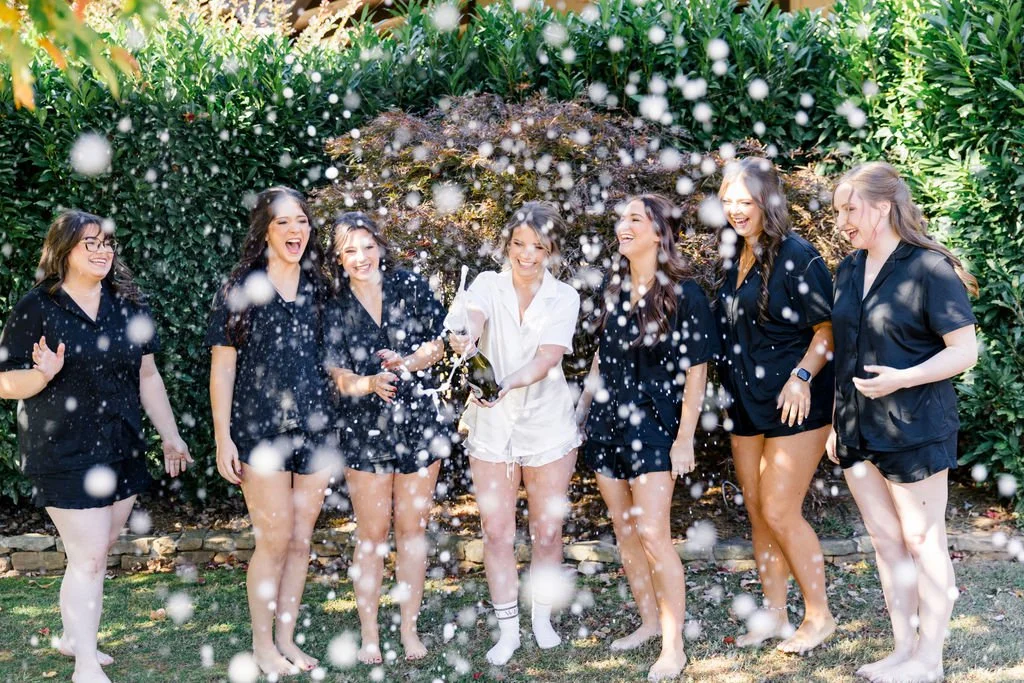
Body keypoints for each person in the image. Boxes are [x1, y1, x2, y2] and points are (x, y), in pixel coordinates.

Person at [0, 210, 191, 683]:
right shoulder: (37, 307)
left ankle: (72, 636)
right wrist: (43, 375)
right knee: (88, 558)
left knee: (98, 551)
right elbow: (6, 381)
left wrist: (170, 434)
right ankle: (85, 663)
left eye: (106, 243)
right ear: (63, 250)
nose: (102, 251)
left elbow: (148, 376)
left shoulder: (127, 305)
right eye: (90, 243)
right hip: (62, 449)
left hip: (121, 445)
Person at [827, 162, 978, 683]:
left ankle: (930, 661)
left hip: (914, 424)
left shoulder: (929, 268)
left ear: (882, 206)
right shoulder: (847, 269)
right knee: (886, 542)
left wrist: (902, 378)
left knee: (922, 539)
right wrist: (834, 422)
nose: (841, 220)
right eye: (838, 210)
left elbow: (965, 351)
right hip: (856, 427)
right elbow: (845, 353)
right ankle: (903, 650)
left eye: (850, 209)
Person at [576, 194, 714, 681]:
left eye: (634, 219)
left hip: (656, 426)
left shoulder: (686, 294)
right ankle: (649, 622)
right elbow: (601, 355)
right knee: (625, 530)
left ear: (659, 231)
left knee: (653, 533)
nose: (622, 226)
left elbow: (697, 372)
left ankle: (673, 647)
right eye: (621, 219)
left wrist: (685, 437)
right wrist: (582, 409)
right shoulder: (615, 288)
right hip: (608, 425)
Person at [207, 187, 337, 676]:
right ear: (264, 230)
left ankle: (286, 639)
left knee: (301, 541)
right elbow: (223, 366)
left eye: (301, 221)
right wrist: (223, 437)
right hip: (259, 430)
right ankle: (262, 647)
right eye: (283, 222)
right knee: (275, 539)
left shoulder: (321, 287)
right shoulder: (242, 286)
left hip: (317, 429)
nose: (295, 231)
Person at [712, 157, 838, 653]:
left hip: (795, 401)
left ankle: (820, 616)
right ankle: (775, 616)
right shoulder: (734, 253)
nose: (736, 211)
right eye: (728, 201)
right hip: (746, 403)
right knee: (760, 515)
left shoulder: (797, 255)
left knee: (781, 510)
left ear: (768, 201)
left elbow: (828, 331)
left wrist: (802, 376)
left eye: (745, 201)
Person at [448, 202, 581, 666]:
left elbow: (547, 359)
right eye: (519, 244)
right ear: (507, 244)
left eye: (538, 246)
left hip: (547, 428)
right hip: (490, 429)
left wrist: (506, 383)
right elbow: (473, 320)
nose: (527, 255)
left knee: (547, 530)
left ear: (551, 250)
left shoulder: (564, 297)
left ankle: (541, 617)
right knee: (497, 530)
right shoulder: (485, 284)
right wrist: (465, 337)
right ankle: (508, 630)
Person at [323, 211, 449, 664]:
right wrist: (369, 383)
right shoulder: (333, 303)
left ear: (380, 246)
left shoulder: (410, 285)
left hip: (419, 422)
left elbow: (441, 342)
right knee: (372, 537)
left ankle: (410, 631)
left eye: (367, 246)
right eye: (350, 250)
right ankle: (371, 634)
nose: (361, 257)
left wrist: (407, 364)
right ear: (338, 257)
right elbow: (334, 373)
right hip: (363, 429)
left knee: (412, 532)